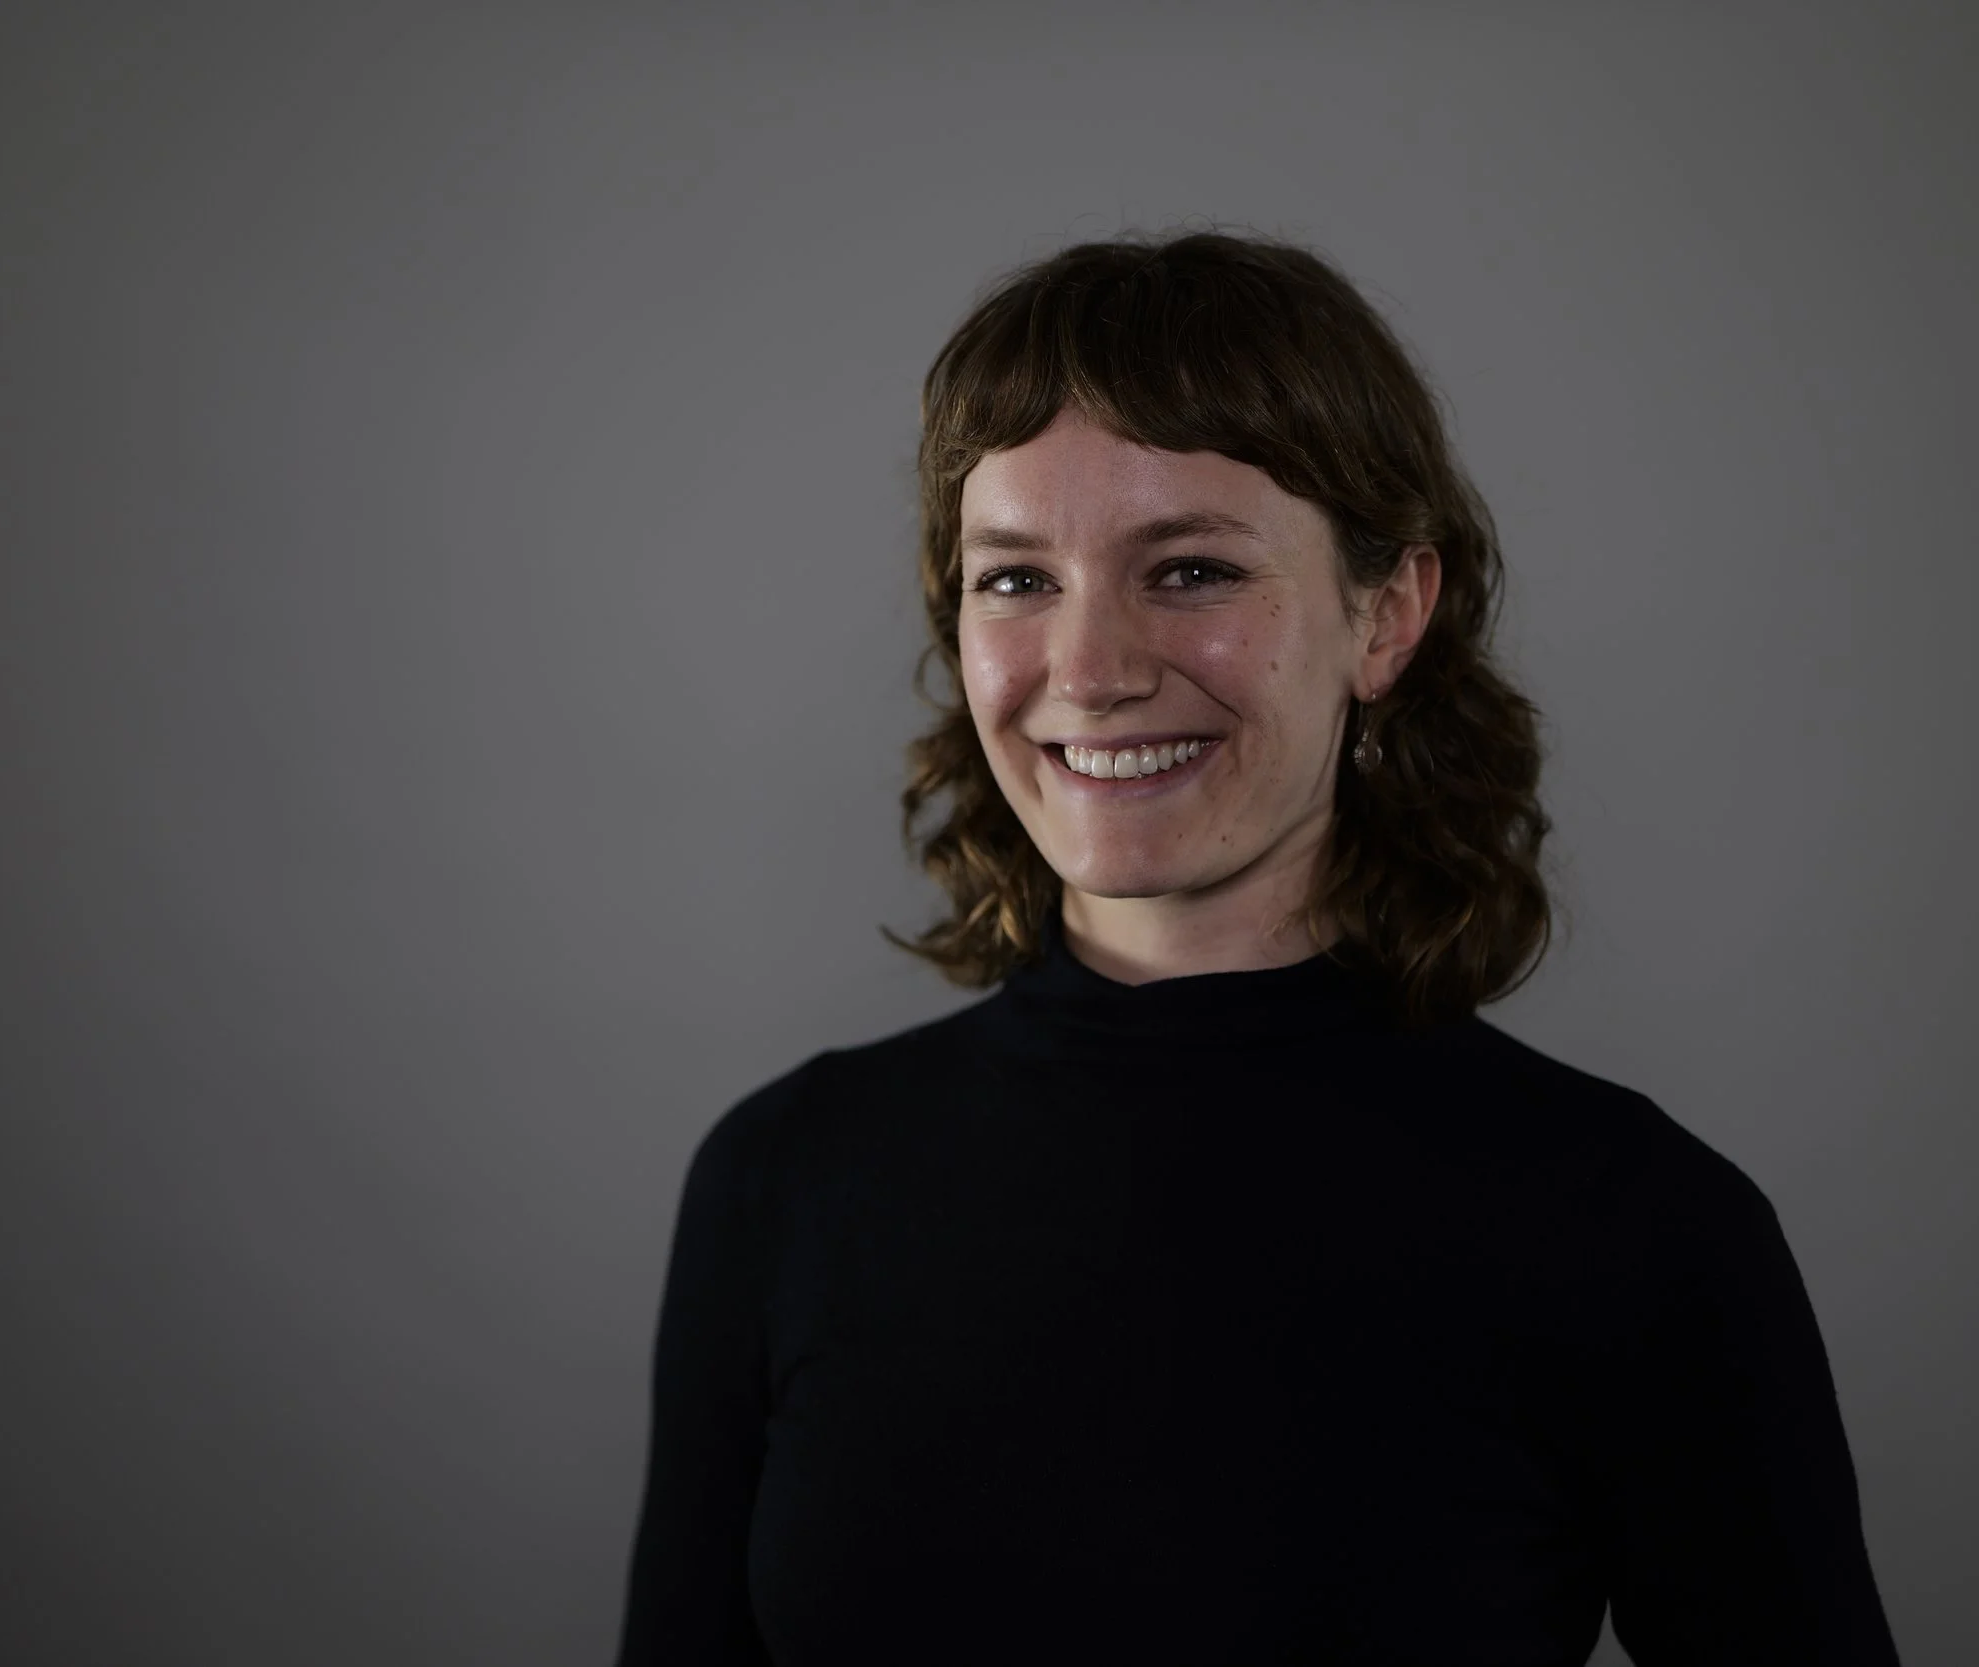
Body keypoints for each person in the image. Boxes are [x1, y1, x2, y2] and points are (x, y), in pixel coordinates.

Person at [613, 231, 1903, 1665]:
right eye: (1017, 580)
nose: (1091, 669)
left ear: (1388, 613)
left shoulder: (1636, 1225)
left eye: (1193, 569)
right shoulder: (782, 1182)